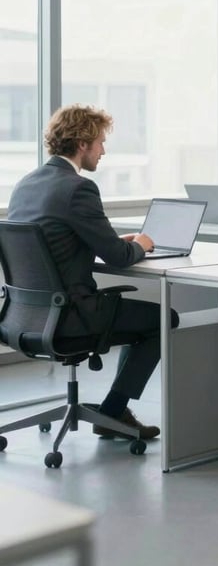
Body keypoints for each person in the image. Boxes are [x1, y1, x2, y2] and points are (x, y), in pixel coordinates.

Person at [7, 104, 179, 440]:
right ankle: (113, 413)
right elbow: (117, 257)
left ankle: (112, 413)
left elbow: (60, 239)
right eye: (100, 141)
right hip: (70, 317)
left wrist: (120, 242)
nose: (103, 150)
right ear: (83, 143)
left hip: (24, 316)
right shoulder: (78, 188)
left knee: (146, 317)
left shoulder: (26, 184)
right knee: (164, 319)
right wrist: (142, 243)